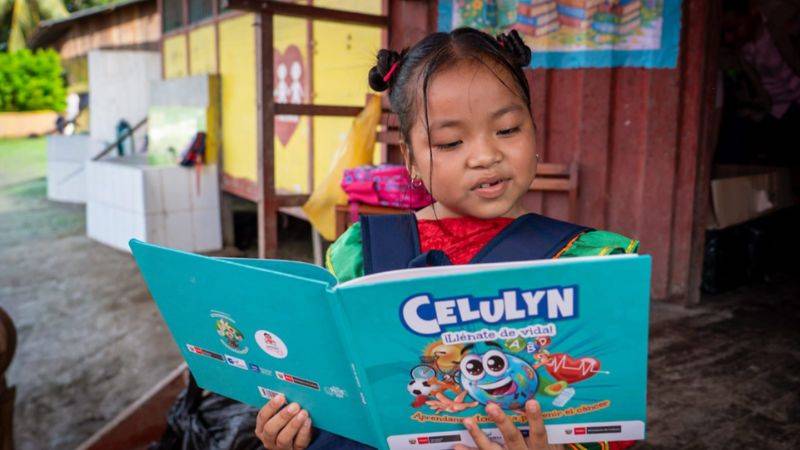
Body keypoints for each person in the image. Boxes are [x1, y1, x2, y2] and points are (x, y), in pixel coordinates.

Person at [255, 27, 638, 450]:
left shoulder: (585, 263)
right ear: (411, 158)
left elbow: (606, 418)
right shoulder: (360, 256)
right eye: (451, 141)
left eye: (508, 129)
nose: (485, 155)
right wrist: (295, 430)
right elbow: (335, 391)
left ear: (534, 130)